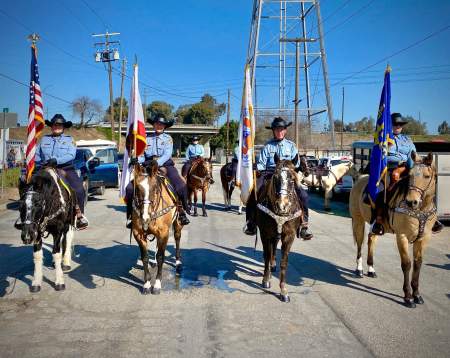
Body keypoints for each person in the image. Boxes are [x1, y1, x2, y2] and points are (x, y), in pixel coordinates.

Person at [371, 113, 443, 234]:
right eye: (395, 124)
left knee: (426, 186)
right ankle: (379, 220)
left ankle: (433, 218)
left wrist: (422, 164)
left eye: (400, 124)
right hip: (389, 168)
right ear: (390, 125)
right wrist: (394, 169)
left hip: (407, 168)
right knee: (382, 190)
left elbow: (414, 155)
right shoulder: (383, 138)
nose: (398, 126)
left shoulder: (407, 140)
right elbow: (379, 155)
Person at [243, 117, 313, 240]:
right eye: (276, 129)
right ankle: (251, 223)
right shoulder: (268, 146)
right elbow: (262, 163)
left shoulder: (291, 146)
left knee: (303, 195)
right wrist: (256, 166)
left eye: (281, 129)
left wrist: (295, 167)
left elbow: (295, 163)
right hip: (269, 174)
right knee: (253, 192)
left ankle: (303, 225)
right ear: (273, 131)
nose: (279, 131)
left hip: (287, 174)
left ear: (285, 130)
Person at [125, 115, 190, 228]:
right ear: (154, 125)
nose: (159, 126)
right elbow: (143, 156)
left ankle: (182, 211)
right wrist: (136, 159)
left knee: (181, 186)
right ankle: (131, 215)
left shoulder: (168, 138)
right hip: (148, 165)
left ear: (164, 126)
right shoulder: (146, 137)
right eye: (157, 124)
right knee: (130, 188)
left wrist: (157, 163)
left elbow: (167, 154)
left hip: (165, 165)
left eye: (161, 124)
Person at [34, 114, 89, 230]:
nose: (57, 126)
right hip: (46, 168)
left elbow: (71, 155)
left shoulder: (69, 140)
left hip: (65, 169)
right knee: (29, 187)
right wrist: (40, 163)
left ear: (63, 127)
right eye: (54, 124)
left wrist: (56, 160)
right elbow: (37, 154)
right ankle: (29, 216)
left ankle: (79, 216)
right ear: (51, 126)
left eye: (59, 125)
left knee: (79, 190)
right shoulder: (44, 139)